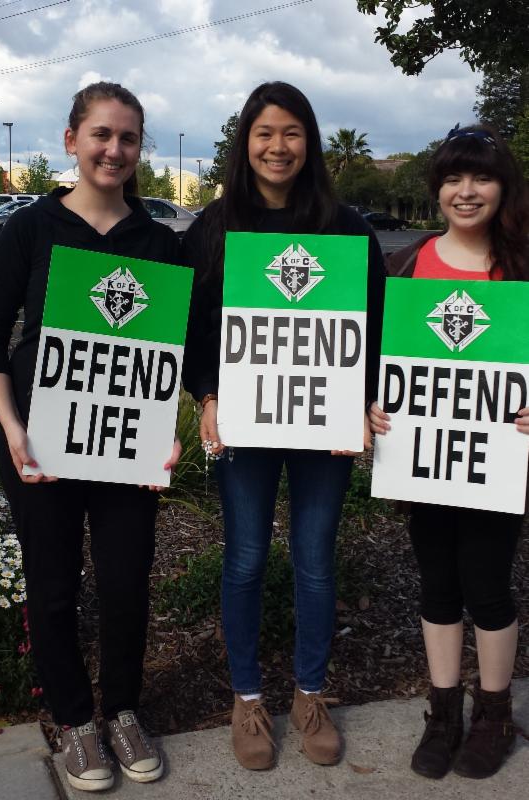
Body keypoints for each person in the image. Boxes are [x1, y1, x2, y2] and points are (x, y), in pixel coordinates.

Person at [181, 81, 385, 770]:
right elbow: (193, 329)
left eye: (291, 132)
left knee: (315, 560)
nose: (278, 146)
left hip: (323, 423)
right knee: (244, 559)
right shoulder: (216, 227)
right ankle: (247, 699)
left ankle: (309, 693)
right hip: (246, 423)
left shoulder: (345, 228)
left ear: (310, 142)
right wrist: (207, 395)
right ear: (246, 142)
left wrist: (365, 398)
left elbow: (377, 326)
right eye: (265, 132)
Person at [0, 82, 182, 791]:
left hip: (125, 444)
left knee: (126, 581)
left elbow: (172, 352)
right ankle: (76, 722)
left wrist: (169, 434)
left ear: (139, 150)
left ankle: (124, 710)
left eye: (128, 137)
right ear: (72, 140)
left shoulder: (158, 242)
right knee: (51, 587)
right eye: (101, 134)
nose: (114, 149)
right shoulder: (29, 229)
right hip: (39, 440)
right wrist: (11, 427)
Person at [369, 124, 529, 780]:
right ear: (436, 190)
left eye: (481, 177)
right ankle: (444, 713)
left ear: (504, 187)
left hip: (498, 461)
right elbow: (375, 358)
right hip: (424, 460)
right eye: (453, 178)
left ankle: (494, 714)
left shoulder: (521, 269)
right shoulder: (408, 266)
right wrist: (370, 405)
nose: (466, 191)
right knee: (437, 584)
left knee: (487, 586)